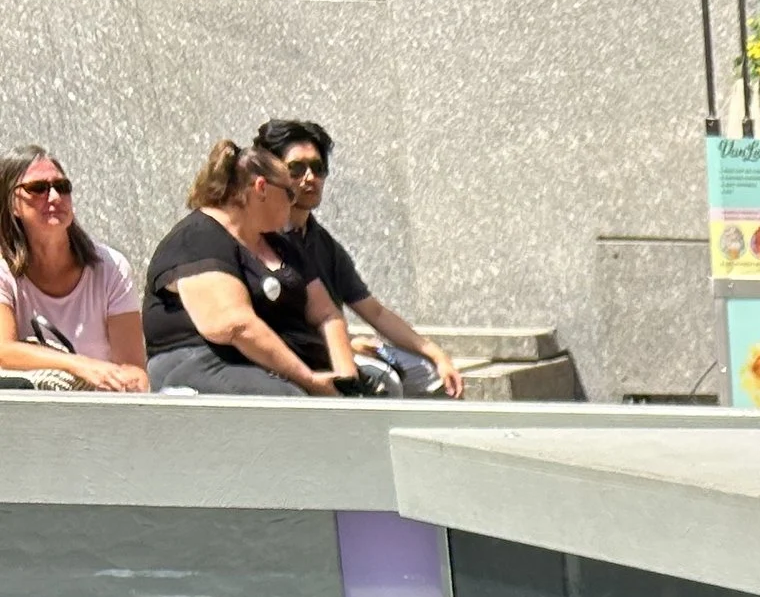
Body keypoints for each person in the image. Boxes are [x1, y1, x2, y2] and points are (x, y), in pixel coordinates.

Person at [256, 118, 465, 398]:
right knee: (385, 382)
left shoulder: (323, 243)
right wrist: (348, 345)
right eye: (297, 168)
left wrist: (436, 354)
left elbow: (374, 312)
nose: (310, 177)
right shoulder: (261, 239)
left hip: (339, 349)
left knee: (435, 379)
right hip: (296, 361)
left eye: (318, 168)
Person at [142, 141, 355, 396]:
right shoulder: (196, 239)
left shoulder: (281, 244)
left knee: (378, 388)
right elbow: (234, 325)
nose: (293, 203)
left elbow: (327, 314)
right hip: (203, 363)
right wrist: (309, 381)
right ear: (261, 187)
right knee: (291, 403)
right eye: (289, 194)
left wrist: (347, 381)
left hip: (279, 367)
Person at [0, 147, 148, 391]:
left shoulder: (111, 267)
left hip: (98, 407)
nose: (54, 197)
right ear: (11, 204)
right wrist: (79, 365)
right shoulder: (4, 271)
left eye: (62, 186)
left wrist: (132, 384)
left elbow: (132, 366)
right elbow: (4, 351)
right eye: (38, 188)